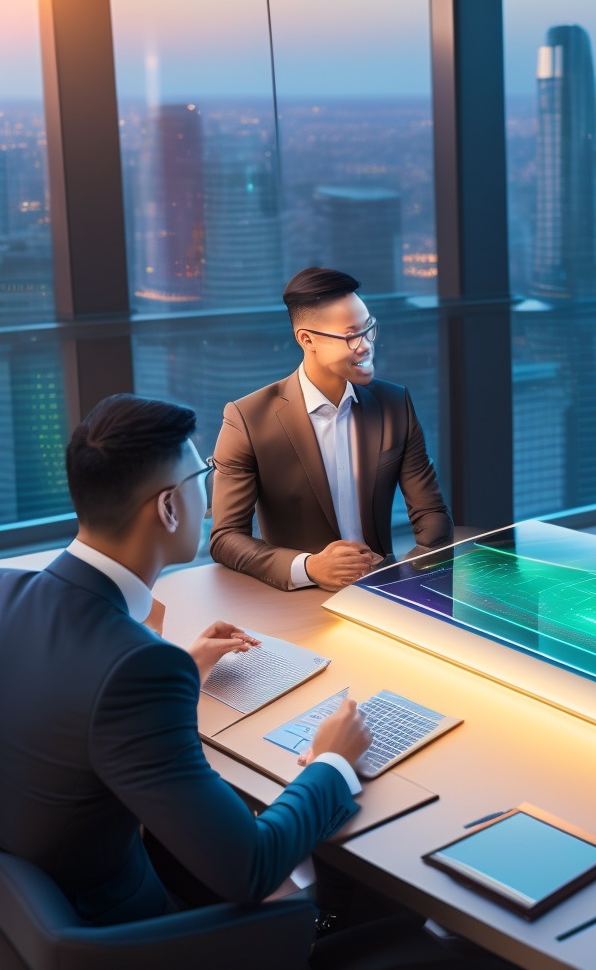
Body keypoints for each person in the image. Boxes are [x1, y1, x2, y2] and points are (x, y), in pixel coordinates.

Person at [0, 394, 370, 926]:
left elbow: (62, 699)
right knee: (362, 900)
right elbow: (252, 866)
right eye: (203, 475)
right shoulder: (134, 669)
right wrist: (332, 760)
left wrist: (175, 670)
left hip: (31, 913)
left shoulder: (13, 593)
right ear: (169, 507)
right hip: (129, 932)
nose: (210, 494)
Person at [210, 267, 453, 592]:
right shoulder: (248, 420)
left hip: (384, 590)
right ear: (307, 340)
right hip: (299, 597)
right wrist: (309, 568)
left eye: (369, 329)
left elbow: (432, 515)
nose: (366, 345)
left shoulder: (394, 404)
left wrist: (401, 581)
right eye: (352, 335)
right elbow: (226, 538)